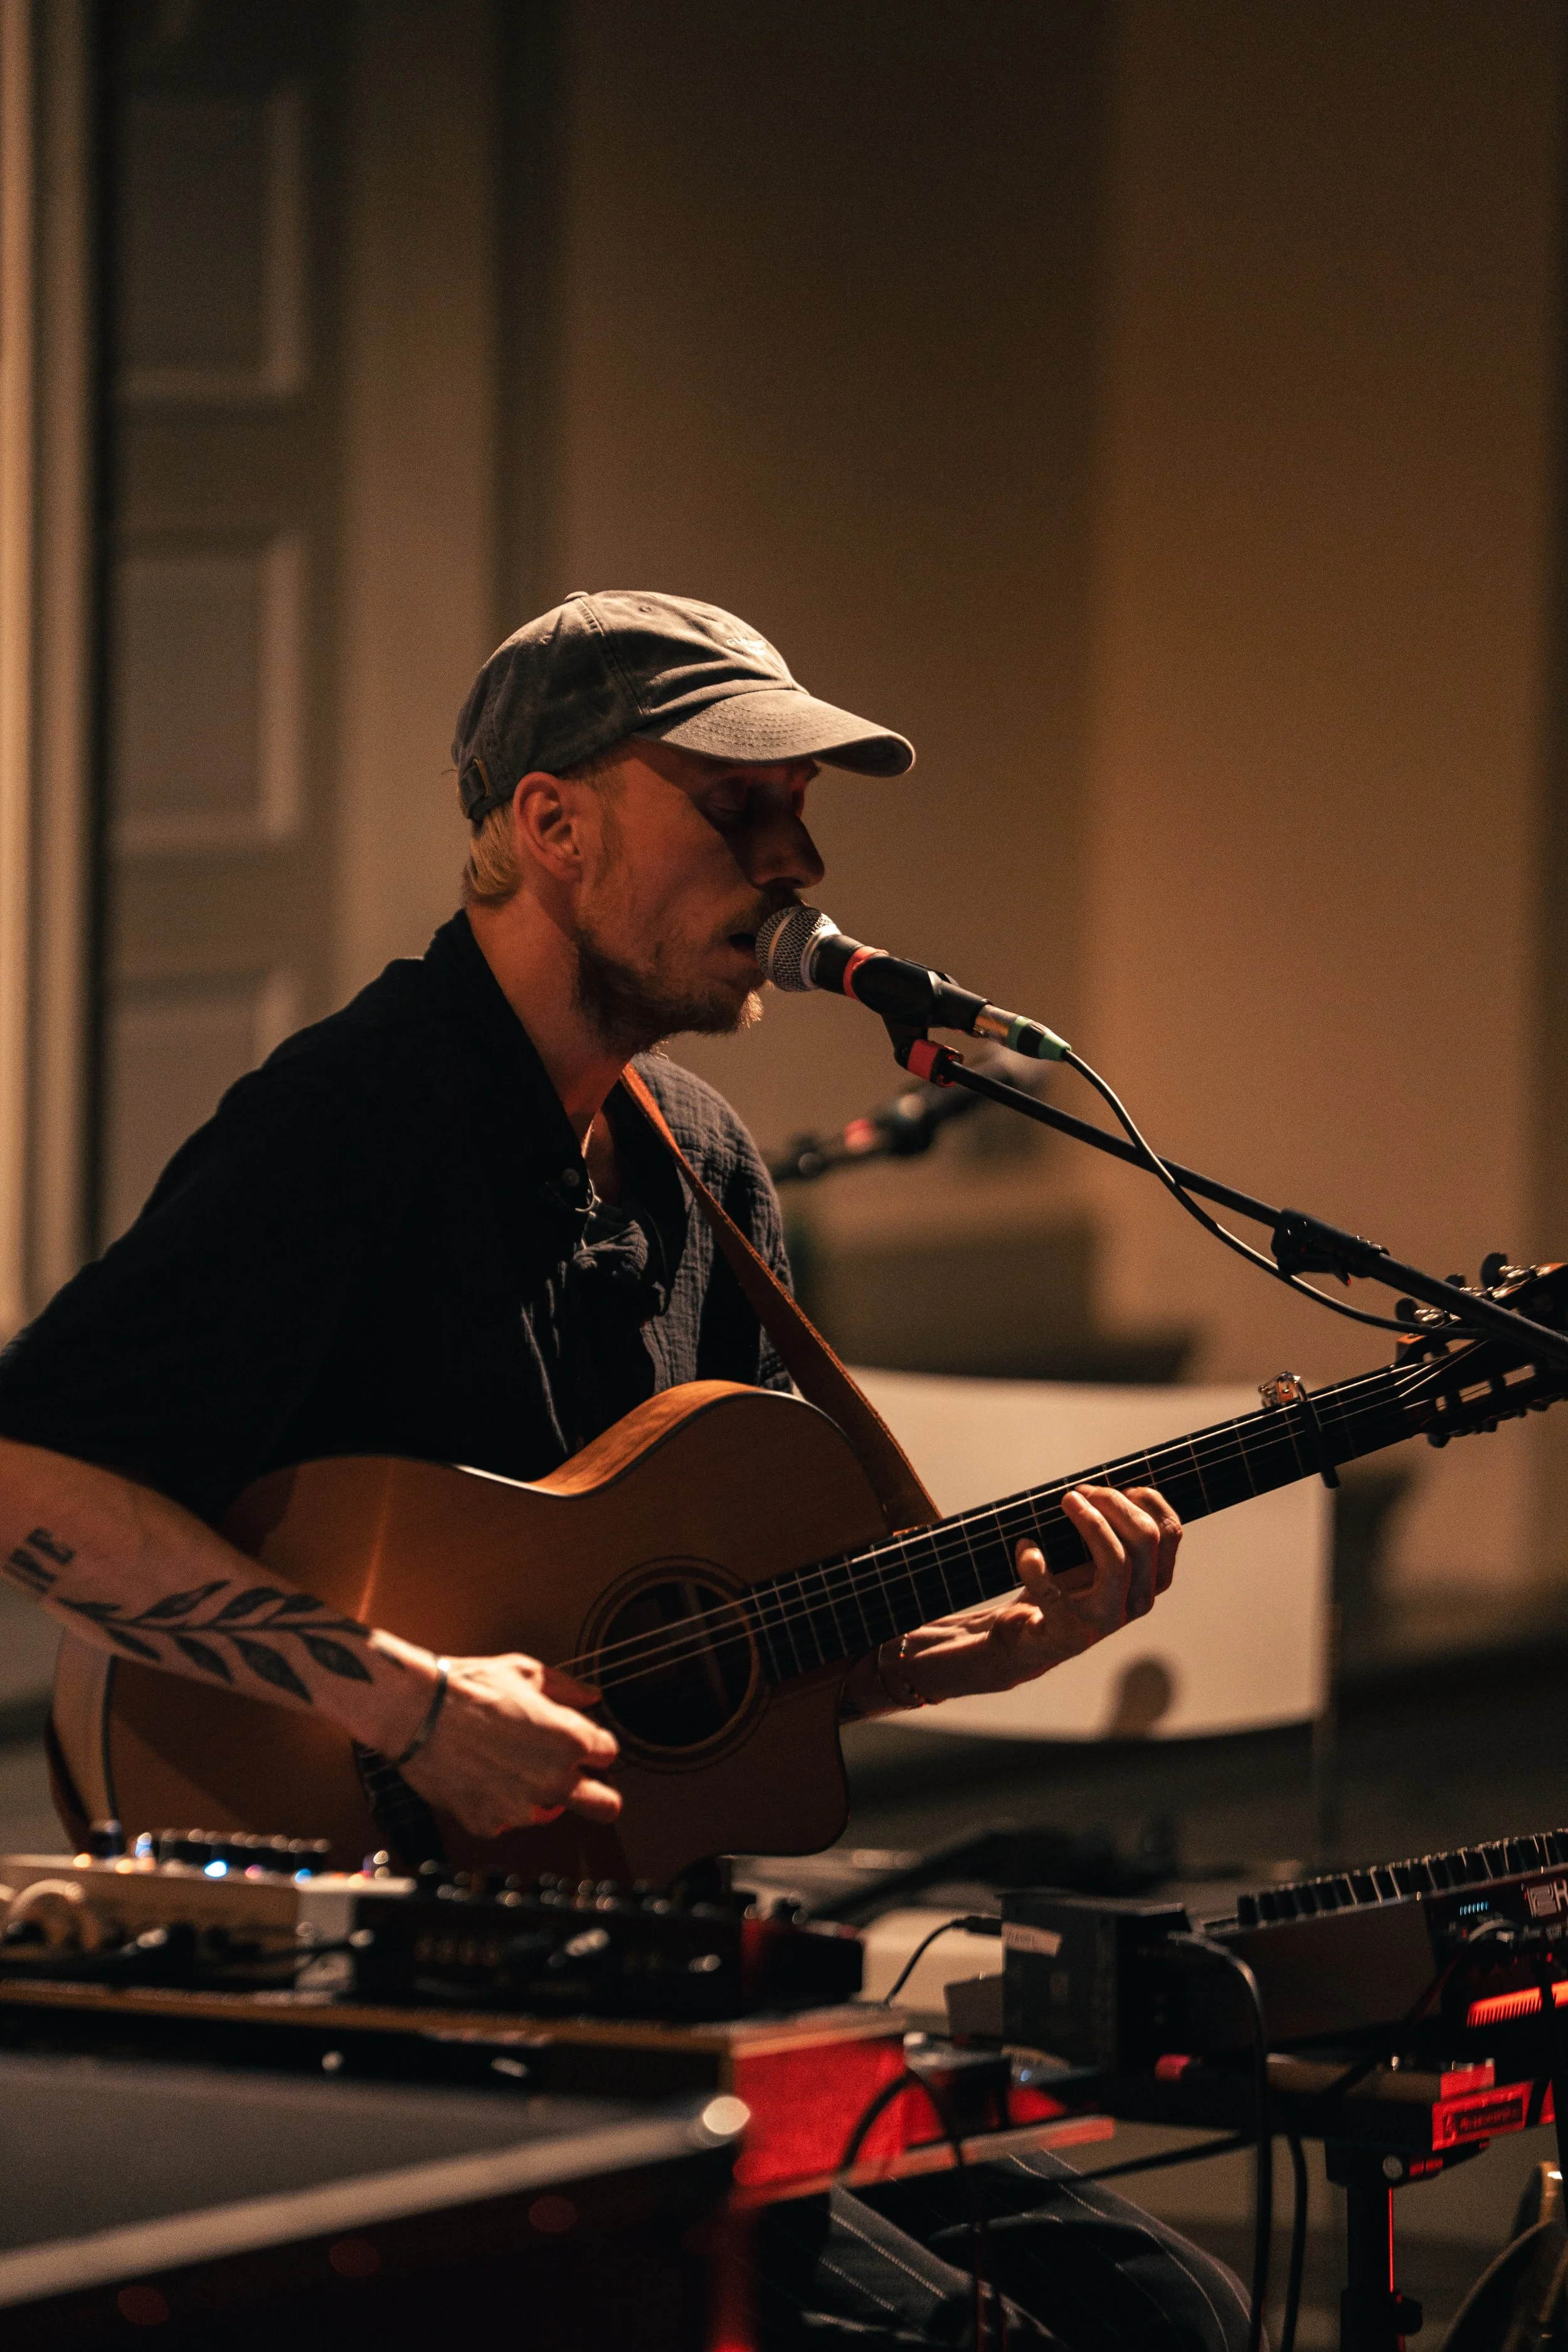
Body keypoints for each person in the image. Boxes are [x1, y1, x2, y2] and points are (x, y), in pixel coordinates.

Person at [0, 591, 1249, 2349]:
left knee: (1166, 2305)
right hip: (391, 2008)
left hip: (631, 1968)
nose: (796, 854)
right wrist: (405, 1705)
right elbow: (32, 1472)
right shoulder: (355, 1113)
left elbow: (701, 1666)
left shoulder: (704, 1164)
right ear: (552, 823)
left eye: (800, 808)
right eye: (738, 805)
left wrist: (990, 1652)